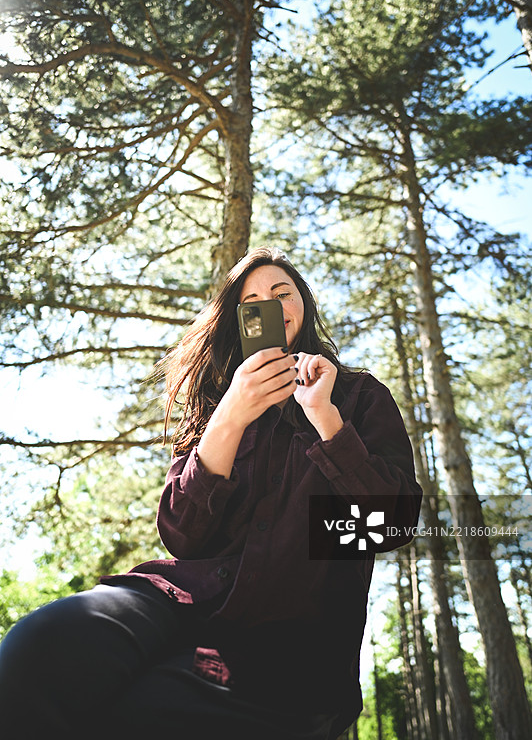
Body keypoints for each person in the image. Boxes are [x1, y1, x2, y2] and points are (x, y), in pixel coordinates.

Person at [0, 246, 422, 739]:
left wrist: (325, 417)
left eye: (282, 293)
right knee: (40, 645)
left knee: (143, 713)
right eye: (253, 301)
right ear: (239, 321)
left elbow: (391, 525)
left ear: (302, 305)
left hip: (290, 640)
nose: (271, 304)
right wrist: (231, 416)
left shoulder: (359, 395)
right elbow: (182, 535)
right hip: (180, 599)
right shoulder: (218, 401)